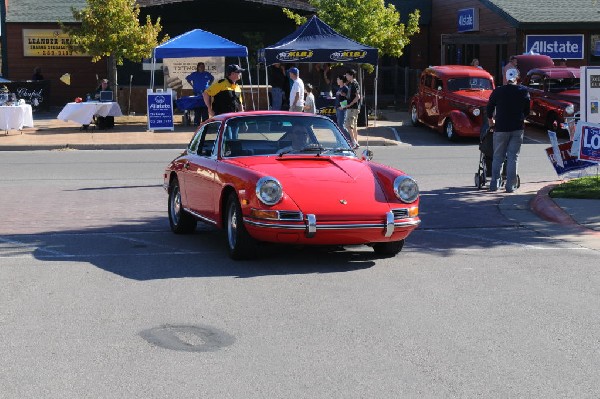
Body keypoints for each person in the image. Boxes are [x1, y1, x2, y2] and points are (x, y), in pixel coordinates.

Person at [486, 68, 531, 193]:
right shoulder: (523, 91)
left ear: (506, 78)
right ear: (517, 78)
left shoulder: (498, 91)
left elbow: (489, 107)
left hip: (500, 127)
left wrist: (490, 120)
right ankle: (510, 186)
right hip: (517, 127)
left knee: (498, 156)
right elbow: (527, 110)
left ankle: (494, 183)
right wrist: (523, 118)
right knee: (513, 157)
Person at [342, 69, 361, 149]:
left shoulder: (355, 84)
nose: (346, 77)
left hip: (353, 108)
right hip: (352, 108)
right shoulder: (350, 84)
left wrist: (350, 104)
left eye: (347, 75)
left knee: (348, 125)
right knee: (353, 126)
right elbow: (351, 96)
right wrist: (345, 95)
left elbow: (358, 96)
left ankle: (353, 142)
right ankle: (356, 142)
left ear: (351, 75)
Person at [334, 75, 350, 141]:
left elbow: (347, 98)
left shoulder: (345, 88)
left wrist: (342, 106)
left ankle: (349, 138)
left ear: (341, 80)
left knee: (341, 125)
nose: (337, 81)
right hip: (337, 108)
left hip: (342, 109)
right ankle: (342, 139)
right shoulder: (339, 88)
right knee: (339, 125)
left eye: (338, 79)